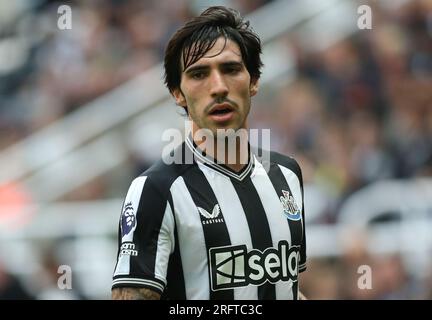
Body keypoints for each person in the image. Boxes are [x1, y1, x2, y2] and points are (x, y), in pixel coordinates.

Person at [112, 6, 307, 300]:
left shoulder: (287, 174)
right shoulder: (155, 190)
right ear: (178, 93)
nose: (218, 87)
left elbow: (286, 288)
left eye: (230, 69)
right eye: (199, 74)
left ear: (253, 81)